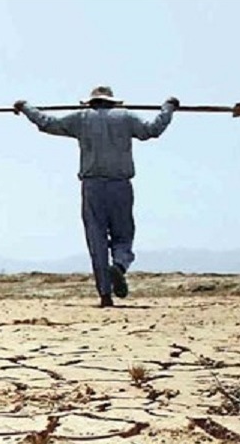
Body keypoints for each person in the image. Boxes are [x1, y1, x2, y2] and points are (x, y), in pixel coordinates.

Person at [14, 86, 179, 307]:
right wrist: (168, 108)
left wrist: (26, 107)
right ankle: (119, 266)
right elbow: (152, 130)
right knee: (123, 235)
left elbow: (47, 123)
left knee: (96, 240)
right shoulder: (126, 116)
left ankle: (105, 294)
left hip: (92, 187)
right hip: (121, 185)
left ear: (91, 102)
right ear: (112, 102)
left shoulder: (81, 118)